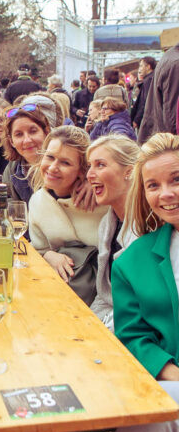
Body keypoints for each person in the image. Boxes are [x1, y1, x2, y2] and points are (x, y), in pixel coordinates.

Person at [111, 132, 179, 432]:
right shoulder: (130, 262)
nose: (165, 194)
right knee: (150, 410)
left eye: (176, 180)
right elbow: (134, 336)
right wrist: (172, 375)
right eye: (153, 185)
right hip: (171, 381)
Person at [28, 126, 107, 304]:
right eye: (50, 157)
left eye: (65, 163)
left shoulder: (100, 198)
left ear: (81, 170)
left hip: (105, 293)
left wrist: (95, 181)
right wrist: (47, 255)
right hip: (60, 290)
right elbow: (36, 249)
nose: (53, 167)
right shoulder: (38, 201)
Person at [86, 135, 140, 331]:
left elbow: (144, 307)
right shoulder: (107, 225)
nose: (90, 174)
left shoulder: (149, 228)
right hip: (111, 322)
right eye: (89, 166)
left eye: (100, 165)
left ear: (129, 171)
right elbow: (104, 296)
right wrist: (85, 326)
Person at [1, 96, 54, 202]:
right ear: (12, 142)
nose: (27, 140)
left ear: (46, 132)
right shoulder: (12, 169)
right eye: (19, 134)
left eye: (33, 131)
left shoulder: (59, 164)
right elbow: (7, 204)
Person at [131, 56, 156, 130]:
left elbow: (144, 101)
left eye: (141, 66)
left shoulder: (148, 81)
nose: (140, 69)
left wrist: (137, 119)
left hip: (147, 120)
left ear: (148, 67)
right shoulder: (153, 78)